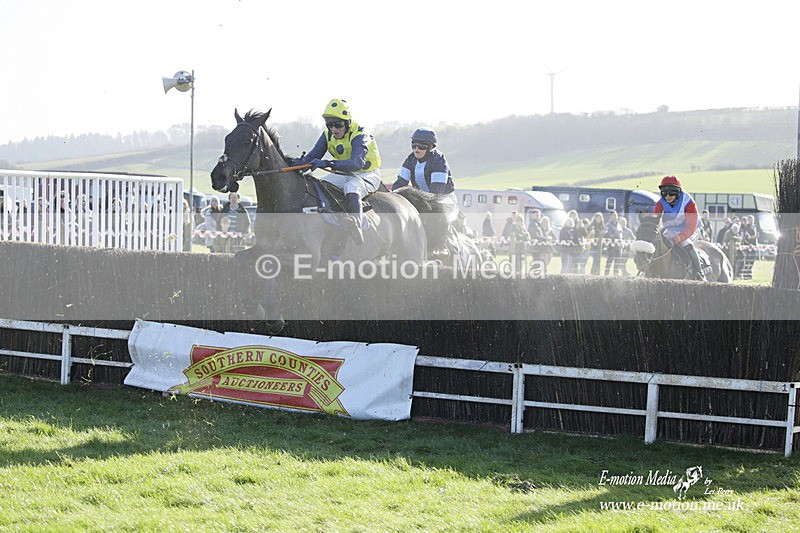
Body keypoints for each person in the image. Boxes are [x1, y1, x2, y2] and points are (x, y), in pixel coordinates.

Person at [295, 98, 382, 245]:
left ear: (348, 122)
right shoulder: (327, 135)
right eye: (329, 125)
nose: (334, 129)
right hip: (345, 174)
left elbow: (356, 163)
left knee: (351, 188)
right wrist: (294, 164)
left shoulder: (360, 134)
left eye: (338, 124)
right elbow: (311, 157)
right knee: (321, 184)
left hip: (368, 174)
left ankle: (357, 226)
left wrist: (328, 163)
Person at [653, 175, 705, 281]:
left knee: (687, 245)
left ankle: (699, 273)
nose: (668, 196)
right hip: (671, 228)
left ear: (678, 192)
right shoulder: (660, 202)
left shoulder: (688, 202)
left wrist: (677, 238)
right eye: (664, 193)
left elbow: (691, 227)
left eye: (671, 192)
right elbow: (655, 219)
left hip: (691, 228)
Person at [392, 128, 455, 202]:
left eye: (421, 146)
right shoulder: (410, 159)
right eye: (414, 145)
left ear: (430, 147)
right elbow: (400, 183)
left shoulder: (439, 160)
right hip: (422, 198)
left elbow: (436, 191)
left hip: (443, 198)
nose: (416, 149)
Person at [603, 211, 623, 276]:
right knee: (609, 262)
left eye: (616, 215)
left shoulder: (618, 224)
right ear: (611, 216)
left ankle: (616, 275)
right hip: (611, 246)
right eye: (614, 215)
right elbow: (608, 235)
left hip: (618, 246)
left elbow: (621, 234)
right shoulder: (608, 224)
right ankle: (606, 275)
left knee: (617, 262)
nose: (615, 216)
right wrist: (615, 234)